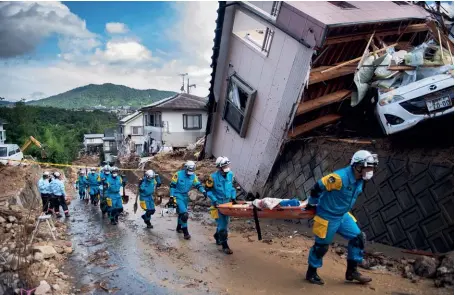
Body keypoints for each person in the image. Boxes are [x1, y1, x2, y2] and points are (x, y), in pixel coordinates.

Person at [305, 150, 378, 285]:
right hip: (327, 215)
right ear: (358, 166)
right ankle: (311, 272)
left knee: (358, 238)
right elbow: (318, 186)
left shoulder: (360, 179)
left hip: (342, 215)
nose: (370, 171)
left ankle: (352, 272)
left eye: (372, 168)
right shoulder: (339, 178)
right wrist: (312, 203)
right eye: (368, 167)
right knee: (321, 246)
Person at [205, 157, 237, 255]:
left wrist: (233, 197)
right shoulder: (213, 177)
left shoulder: (231, 175)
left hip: (227, 203)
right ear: (219, 168)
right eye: (224, 166)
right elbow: (208, 190)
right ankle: (225, 246)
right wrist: (214, 200)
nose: (227, 167)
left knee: (225, 223)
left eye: (227, 165)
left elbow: (232, 187)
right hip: (217, 204)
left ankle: (217, 236)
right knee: (223, 227)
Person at [170, 160, 207, 240]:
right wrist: (171, 196)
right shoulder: (178, 174)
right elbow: (172, 185)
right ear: (185, 168)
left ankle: (178, 227)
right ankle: (185, 232)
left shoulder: (193, 176)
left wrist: (203, 191)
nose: (190, 172)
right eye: (189, 170)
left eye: (192, 170)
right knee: (184, 214)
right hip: (177, 195)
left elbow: (198, 185)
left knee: (181, 213)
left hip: (185, 197)